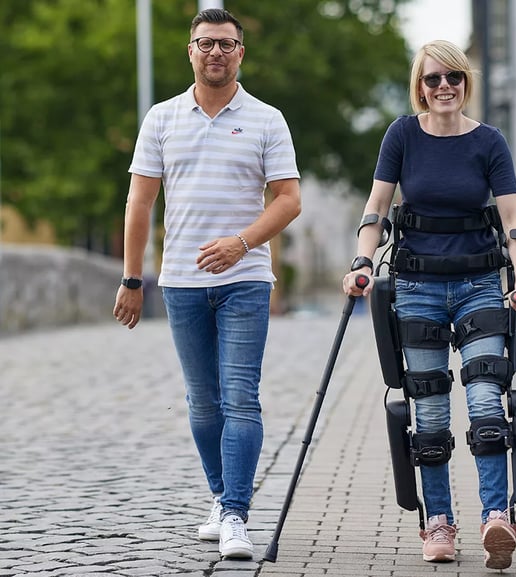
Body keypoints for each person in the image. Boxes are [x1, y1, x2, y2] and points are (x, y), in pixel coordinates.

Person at [342, 40, 516, 570]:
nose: (444, 87)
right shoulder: (402, 135)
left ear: (465, 82)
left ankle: (496, 516)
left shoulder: (489, 141)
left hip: (480, 285)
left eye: (453, 77)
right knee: (429, 411)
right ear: (420, 86)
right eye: (433, 79)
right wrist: (362, 262)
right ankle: (438, 522)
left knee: (486, 401)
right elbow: (376, 208)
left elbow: (513, 219)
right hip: (418, 288)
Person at [113, 8, 301, 561]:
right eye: (205, 43)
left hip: (246, 279)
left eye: (225, 43)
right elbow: (140, 202)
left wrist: (242, 242)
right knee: (202, 401)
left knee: (240, 396)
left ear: (241, 52)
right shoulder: (162, 118)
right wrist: (132, 278)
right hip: (181, 281)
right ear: (190, 51)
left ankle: (237, 515)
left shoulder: (267, 119)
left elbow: (289, 199)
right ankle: (221, 497)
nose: (215, 52)